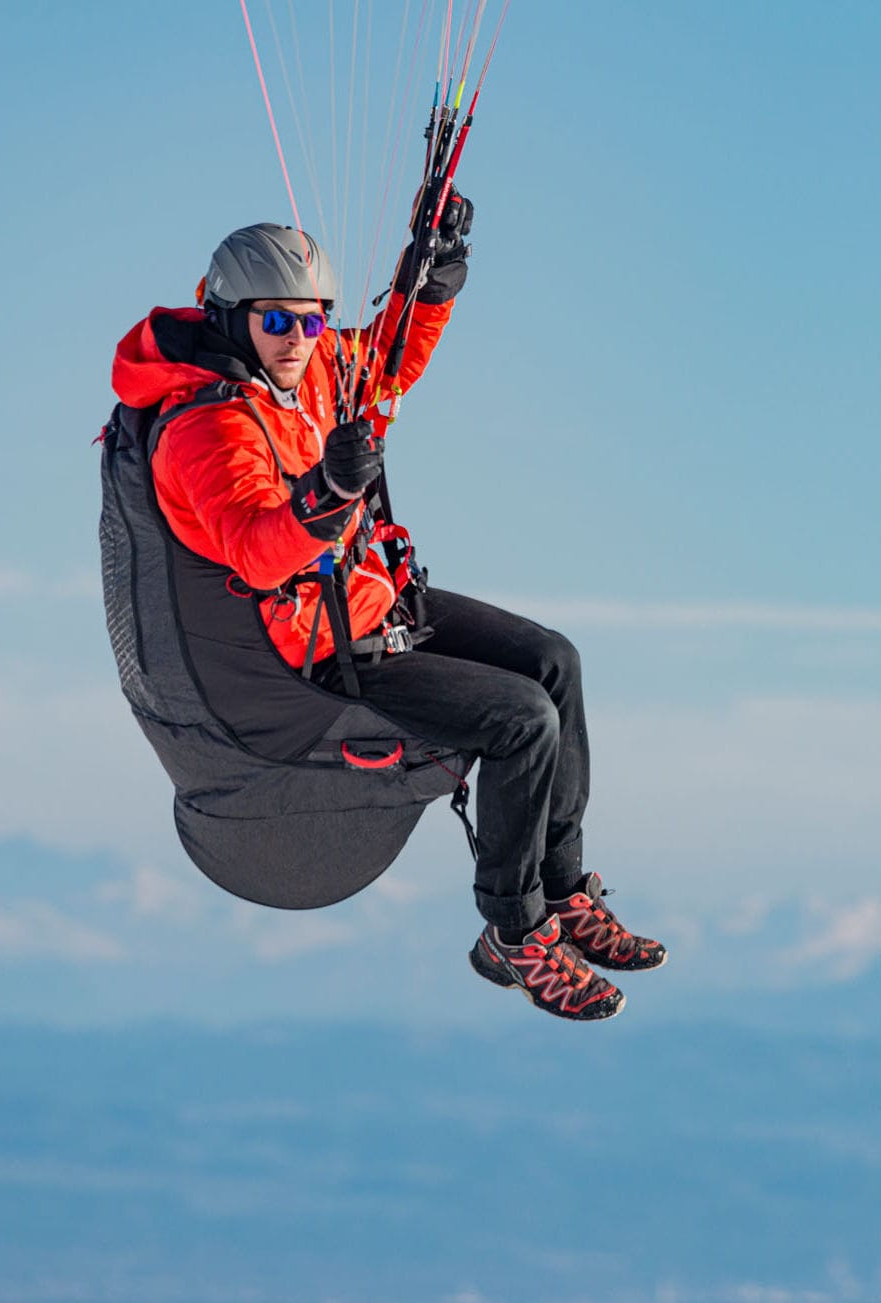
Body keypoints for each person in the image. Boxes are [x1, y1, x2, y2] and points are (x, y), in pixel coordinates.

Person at [110, 193, 666, 1022]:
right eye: (279, 324)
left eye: (313, 321)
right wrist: (328, 494)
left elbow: (387, 362)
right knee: (520, 719)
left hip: (369, 599)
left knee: (556, 661)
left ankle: (560, 889)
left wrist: (431, 279)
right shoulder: (205, 431)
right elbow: (258, 552)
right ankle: (512, 933)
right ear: (232, 318)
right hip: (314, 649)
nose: (301, 342)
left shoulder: (314, 367)